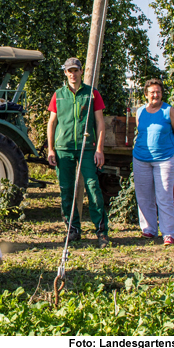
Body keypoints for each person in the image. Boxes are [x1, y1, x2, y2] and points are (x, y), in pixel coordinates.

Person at [47, 57, 109, 248]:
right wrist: (50, 149)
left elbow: (99, 122)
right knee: (66, 190)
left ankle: (101, 231)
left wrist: (99, 148)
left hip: (87, 148)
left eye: (76, 70)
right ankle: (72, 230)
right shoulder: (58, 95)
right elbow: (52, 123)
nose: (73, 74)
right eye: (69, 71)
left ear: (82, 72)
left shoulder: (92, 94)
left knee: (93, 189)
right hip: (63, 148)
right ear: (65, 73)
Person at [132, 78, 174, 245]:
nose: (155, 95)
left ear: (161, 94)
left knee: (164, 195)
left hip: (165, 158)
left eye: (158, 92)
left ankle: (168, 232)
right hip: (141, 158)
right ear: (146, 95)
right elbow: (139, 130)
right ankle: (148, 229)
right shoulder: (140, 111)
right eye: (152, 92)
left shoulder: (168, 111)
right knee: (143, 196)